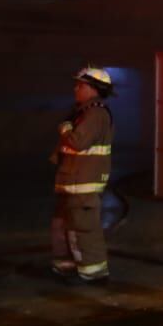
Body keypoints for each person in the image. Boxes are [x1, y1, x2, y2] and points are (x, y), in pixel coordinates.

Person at [51, 67, 115, 283]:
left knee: (85, 229)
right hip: (72, 182)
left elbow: (79, 142)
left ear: (91, 88)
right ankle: (68, 265)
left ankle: (94, 272)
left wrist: (66, 129)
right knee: (65, 226)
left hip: (83, 184)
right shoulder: (84, 112)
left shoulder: (95, 113)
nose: (75, 89)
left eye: (80, 85)